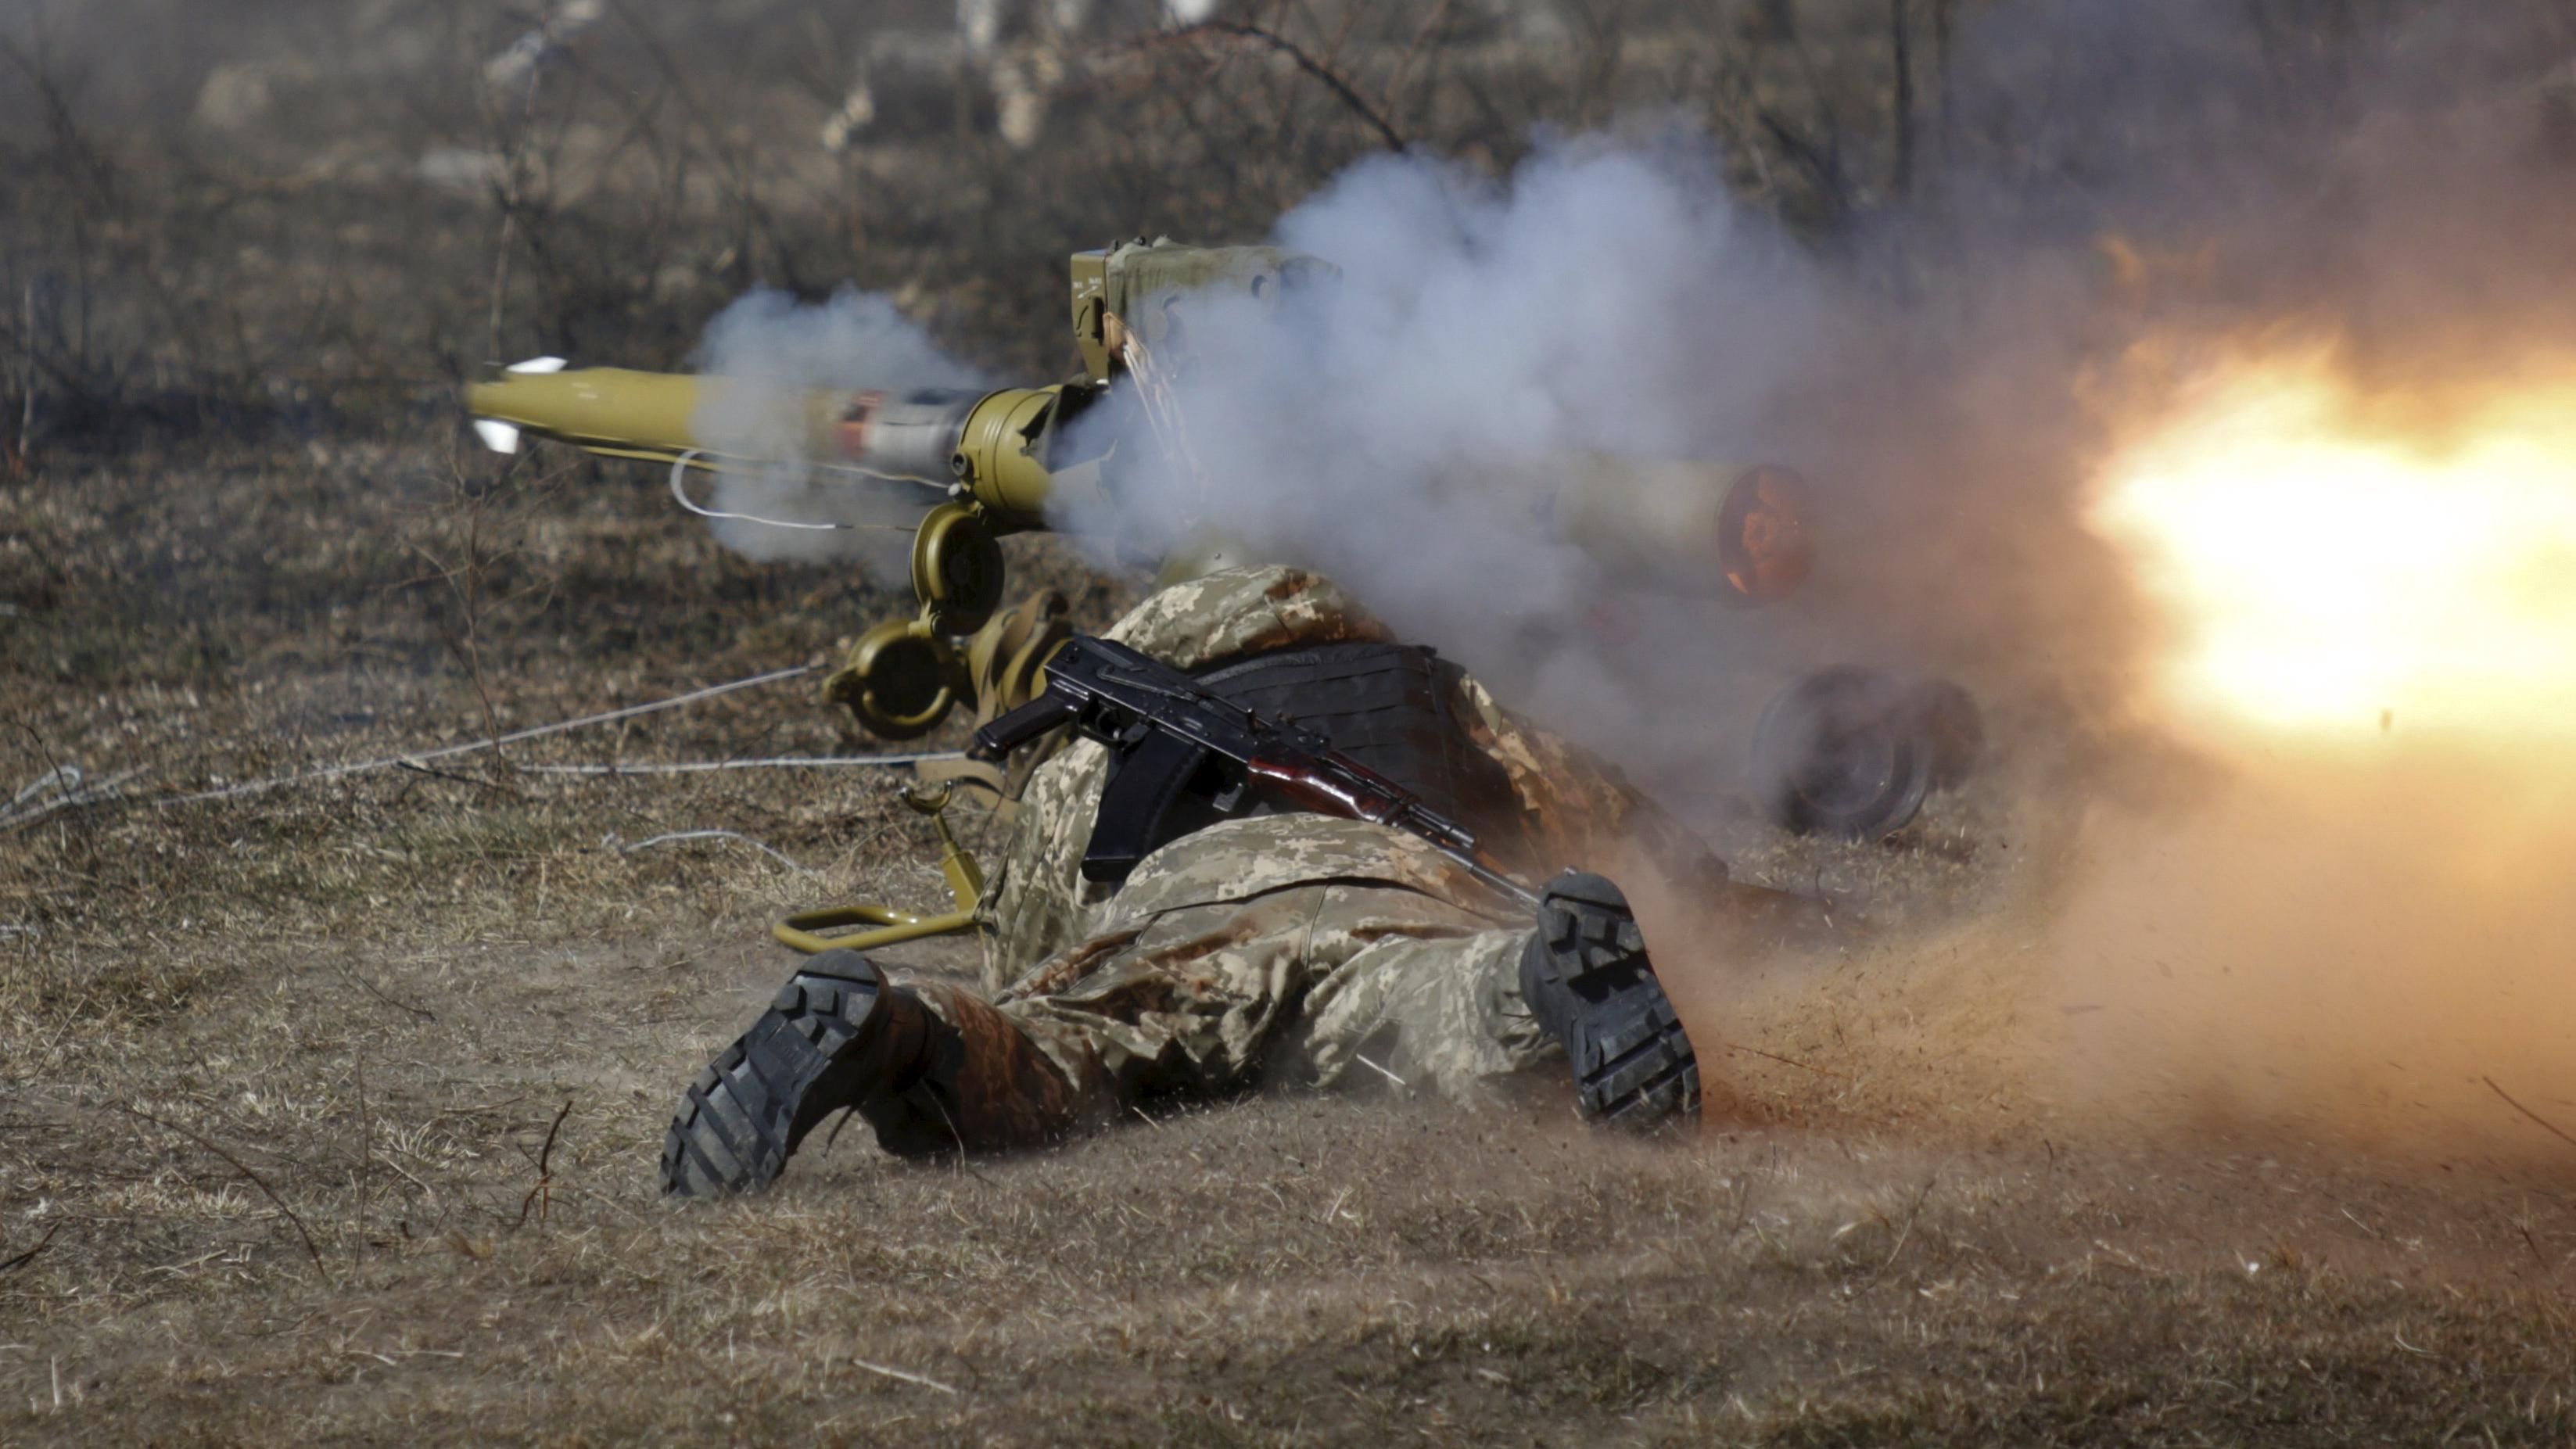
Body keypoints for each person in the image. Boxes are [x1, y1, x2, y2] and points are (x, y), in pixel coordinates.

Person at [660, 566, 1738, 1196]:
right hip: (1393, 893)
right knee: (1439, 1007)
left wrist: (1029, 990)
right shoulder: (1428, 686)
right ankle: (1537, 978)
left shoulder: (1104, 726)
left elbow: (1039, 909)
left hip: (1176, 909)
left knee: (1047, 1047)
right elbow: (1583, 808)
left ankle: (889, 1029)